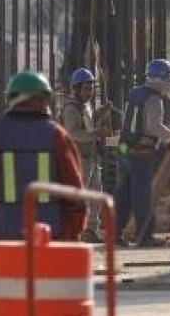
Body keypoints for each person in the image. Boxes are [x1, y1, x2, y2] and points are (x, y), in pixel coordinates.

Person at [0, 70, 85, 301]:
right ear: (44, 100)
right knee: (49, 300)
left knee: (4, 300)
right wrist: (72, 231)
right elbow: (75, 193)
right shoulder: (57, 135)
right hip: (52, 231)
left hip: (4, 230)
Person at [115, 58, 170, 247]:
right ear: (161, 80)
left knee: (123, 194)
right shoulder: (154, 98)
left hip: (125, 149)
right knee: (142, 196)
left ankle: (115, 233)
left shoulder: (135, 94)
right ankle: (145, 237)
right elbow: (153, 126)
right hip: (141, 152)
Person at [61, 67, 105, 241]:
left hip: (91, 156)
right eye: (86, 89)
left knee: (95, 193)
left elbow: (87, 125)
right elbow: (72, 133)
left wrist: (97, 115)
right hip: (79, 158)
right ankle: (76, 229)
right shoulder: (71, 109)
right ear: (77, 89)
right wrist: (96, 133)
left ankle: (91, 229)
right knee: (80, 196)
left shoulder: (85, 106)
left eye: (91, 89)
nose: (90, 92)